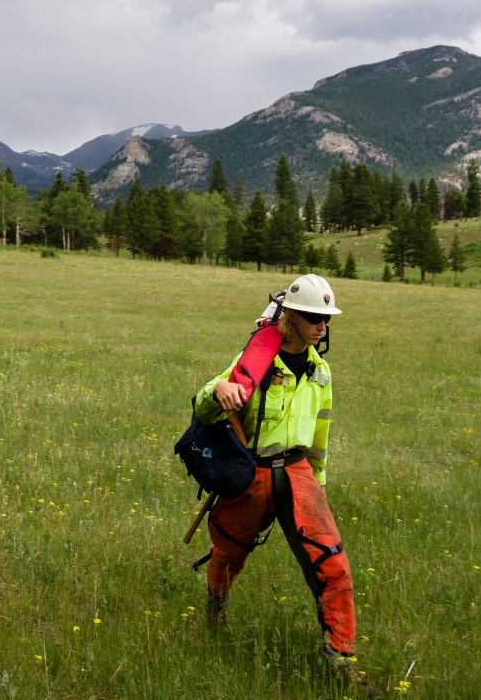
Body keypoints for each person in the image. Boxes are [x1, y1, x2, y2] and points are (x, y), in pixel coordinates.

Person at [194, 273, 377, 696]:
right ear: (290, 318)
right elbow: (204, 406)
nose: (322, 326)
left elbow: (320, 439)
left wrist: (319, 485)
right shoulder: (255, 361)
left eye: (327, 319)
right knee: (227, 553)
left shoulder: (322, 373)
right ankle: (215, 609)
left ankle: (340, 660)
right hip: (251, 473)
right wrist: (219, 389)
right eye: (314, 317)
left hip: (299, 474)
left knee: (333, 564)